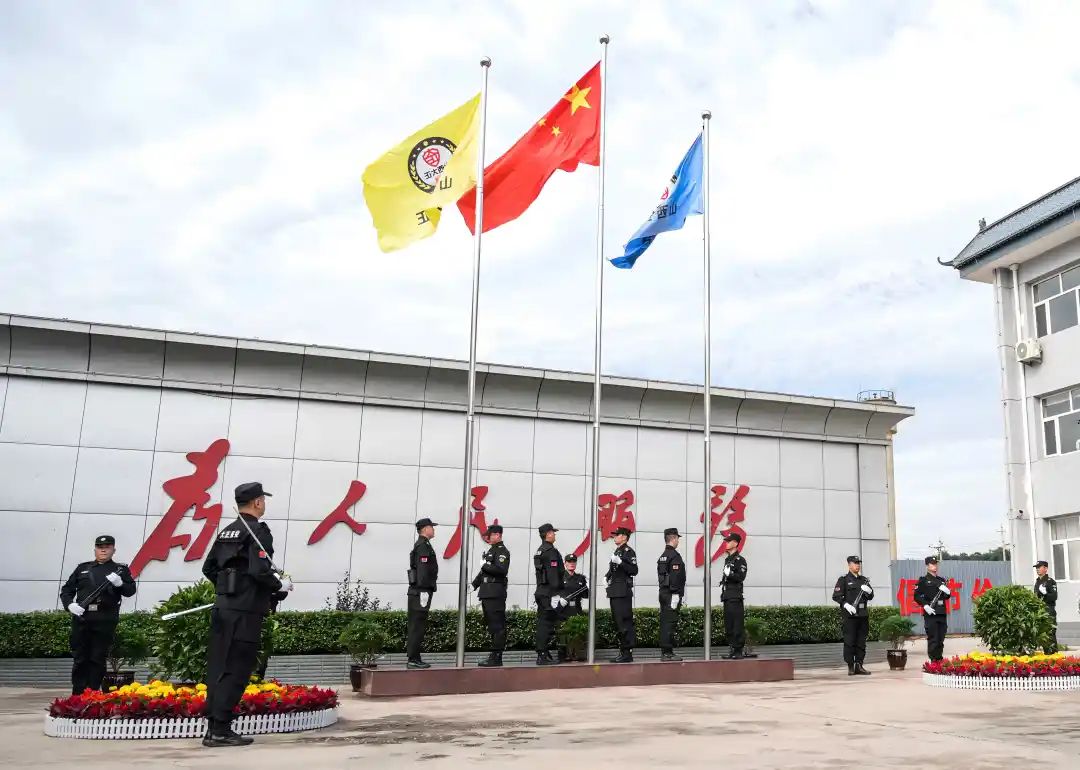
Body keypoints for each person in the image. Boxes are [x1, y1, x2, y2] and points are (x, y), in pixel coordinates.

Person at [201, 482, 292, 748]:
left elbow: (209, 568)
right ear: (257, 502)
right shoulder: (257, 532)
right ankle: (221, 730)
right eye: (263, 500)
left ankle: (213, 729)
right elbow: (259, 571)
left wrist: (229, 589)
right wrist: (279, 585)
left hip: (223, 609)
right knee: (237, 669)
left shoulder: (227, 531)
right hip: (245, 613)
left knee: (219, 668)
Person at [60, 534, 137, 695]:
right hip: (82, 618)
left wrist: (120, 583)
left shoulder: (120, 570)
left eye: (107, 547)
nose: (103, 550)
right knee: (80, 658)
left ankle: (93, 694)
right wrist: (70, 605)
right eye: (100, 547)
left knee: (97, 658)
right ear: (95, 549)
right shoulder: (82, 568)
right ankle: (78, 694)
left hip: (104, 620)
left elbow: (130, 591)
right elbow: (67, 590)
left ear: (113, 550)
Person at [472, 523, 509, 668]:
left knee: (497, 625)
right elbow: (484, 572)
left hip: (495, 593)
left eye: (490, 535)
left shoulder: (502, 551)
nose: (488, 538)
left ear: (497, 535)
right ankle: (493, 655)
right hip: (487, 592)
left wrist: (485, 565)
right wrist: (474, 584)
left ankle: (496, 656)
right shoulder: (491, 551)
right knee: (492, 625)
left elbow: (501, 570)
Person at [831, 555, 874, 676]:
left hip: (862, 615)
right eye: (855, 563)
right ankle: (850, 666)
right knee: (849, 641)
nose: (857, 565)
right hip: (850, 616)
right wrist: (846, 605)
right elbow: (836, 596)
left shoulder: (864, 580)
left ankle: (859, 665)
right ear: (849, 565)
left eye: (858, 563)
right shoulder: (843, 580)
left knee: (861, 642)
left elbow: (871, 596)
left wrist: (869, 591)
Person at [407, 517, 439, 670]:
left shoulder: (424, 544)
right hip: (421, 591)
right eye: (432, 527)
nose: (433, 529)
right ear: (425, 529)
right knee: (417, 625)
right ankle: (413, 659)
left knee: (418, 625)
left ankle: (415, 657)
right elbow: (423, 571)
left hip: (420, 591)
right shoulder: (423, 546)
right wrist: (424, 590)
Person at [534, 523, 566, 665]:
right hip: (549, 593)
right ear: (547, 534)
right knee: (546, 624)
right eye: (553, 532)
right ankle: (542, 654)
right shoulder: (551, 551)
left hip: (541, 591)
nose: (554, 535)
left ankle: (544, 652)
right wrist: (556, 594)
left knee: (543, 622)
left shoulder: (540, 550)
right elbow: (553, 574)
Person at [606, 526, 638, 663]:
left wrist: (621, 562)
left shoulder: (628, 552)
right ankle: (623, 650)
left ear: (624, 537)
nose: (615, 537)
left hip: (623, 591)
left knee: (625, 622)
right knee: (618, 622)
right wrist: (606, 576)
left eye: (617, 535)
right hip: (615, 591)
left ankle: (627, 652)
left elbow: (634, 570)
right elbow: (613, 570)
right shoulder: (617, 551)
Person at [719, 533, 750, 659]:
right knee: (729, 624)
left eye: (729, 541)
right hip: (727, 596)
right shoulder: (728, 560)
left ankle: (738, 650)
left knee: (737, 624)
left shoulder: (740, 560)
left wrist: (730, 574)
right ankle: (732, 648)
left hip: (735, 596)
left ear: (735, 543)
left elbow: (741, 577)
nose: (726, 543)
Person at [914, 555, 950, 662]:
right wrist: (925, 605)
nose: (935, 566)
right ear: (927, 566)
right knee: (933, 638)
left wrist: (948, 592)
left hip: (941, 612)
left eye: (936, 564)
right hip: (930, 613)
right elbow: (916, 596)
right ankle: (934, 661)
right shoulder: (923, 580)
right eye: (932, 564)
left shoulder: (941, 580)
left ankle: (939, 660)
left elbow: (946, 597)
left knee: (941, 639)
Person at [657, 528, 686, 662]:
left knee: (664, 622)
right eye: (677, 538)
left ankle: (665, 651)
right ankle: (667, 653)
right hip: (671, 595)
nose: (678, 541)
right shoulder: (674, 556)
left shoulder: (663, 556)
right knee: (669, 623)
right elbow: (675, 576)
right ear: (673, 538)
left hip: (663, 593)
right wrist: (675, 593)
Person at [555, 553, 588, 662]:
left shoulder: (580, 578)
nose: (572, 564)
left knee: (577, 633)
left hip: (576, 609)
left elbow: (586, 595)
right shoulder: (559, 577)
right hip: (563, 610)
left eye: (574, 562)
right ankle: (564, 654)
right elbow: (553, 592)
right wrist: (559, 600)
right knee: (563, 633)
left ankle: (576, 654)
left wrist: (589, 586)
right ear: (565, 563)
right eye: (569, 562)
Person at [1033, 560, 1058, 653]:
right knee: (1043, 634)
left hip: (1049, 610)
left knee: (1050, 633)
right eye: (1036, 568)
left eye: (1039, 567)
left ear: (1046, 568)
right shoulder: (1037, 581)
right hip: (1040, 612)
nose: (1037, 569)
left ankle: (1054, 656)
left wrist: (1045, 593)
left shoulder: (1050, 581)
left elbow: (1054, 597)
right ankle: (1047, 655)